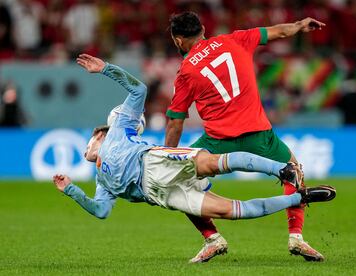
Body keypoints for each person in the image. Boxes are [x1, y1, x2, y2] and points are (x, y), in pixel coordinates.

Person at [53, 54, 336, 261]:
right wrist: (71, 191)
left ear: (100, 135)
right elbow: (101, 211)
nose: (85, 150)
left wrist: (106, 69)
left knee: (212, 163)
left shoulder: (119, 129)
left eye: (88, 143)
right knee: (232, 211)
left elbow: (138, 89)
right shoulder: (102, 181)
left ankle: (281, 169)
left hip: (154, 162)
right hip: (162, 196)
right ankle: (300, 198)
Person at [165, 11, 327, 262]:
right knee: (294, 170)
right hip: (259, 135)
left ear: (178, 40)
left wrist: (167, 157)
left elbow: (175, 122)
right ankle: (296, 238)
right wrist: (299, 25)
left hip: (217, 142)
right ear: (204, 29)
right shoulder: (235, 39)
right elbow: (280, 31)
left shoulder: (186, 72)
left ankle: (212, 238)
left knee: (177, 182)